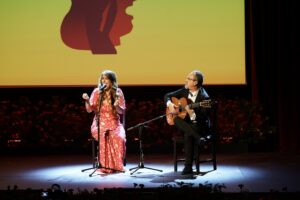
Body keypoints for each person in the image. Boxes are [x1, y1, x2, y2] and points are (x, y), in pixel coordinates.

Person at [164, 70, 211, 175]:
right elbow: (167, 95)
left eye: (188, 79)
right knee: (176, 119)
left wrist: (192, 114)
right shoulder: (184, 90)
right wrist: (170, 104)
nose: (186, 80)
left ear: (195, 82)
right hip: (187, 124)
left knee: (188, 134)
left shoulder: (205, 98)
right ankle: (198, 138)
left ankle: (188, 166)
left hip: (199, 125)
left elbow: (204, 117)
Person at [82, 70, 126, 173]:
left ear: (112, 81)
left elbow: (121, 111)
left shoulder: (118, 92)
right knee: (104, 137)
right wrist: (87, 100)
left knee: (119, 138)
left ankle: (118, 166)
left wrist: (117, 106)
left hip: (114, 123)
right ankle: (105, 166)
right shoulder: (97, 92)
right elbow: (89, 110)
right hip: (100, 123)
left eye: (106, 79)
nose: (103, 81)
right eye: (102, 79)